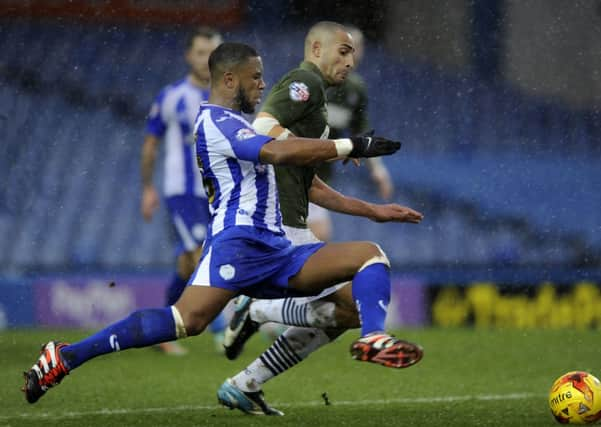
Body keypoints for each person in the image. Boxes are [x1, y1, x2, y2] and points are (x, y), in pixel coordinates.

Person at [22, 42, 419, 409]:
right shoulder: (214, 122)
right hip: (239, 245)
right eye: (256, 77)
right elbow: (275, 152)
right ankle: (66, 356)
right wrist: (349, 145)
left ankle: (369, 337)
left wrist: (371, 208)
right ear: (230, 79)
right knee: (185, 322)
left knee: (369, 258)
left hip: (279, 249)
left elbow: (298, 171)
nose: (263, 84)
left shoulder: (237, 123)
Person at [217, 22, 423, 416]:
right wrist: (338, 146)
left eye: (353, 54)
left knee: (347, 308)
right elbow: (260, 130)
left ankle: (246, 383)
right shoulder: (303, 82)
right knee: (371, 258)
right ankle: (370, 336)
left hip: (293, 225)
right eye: (342, 52)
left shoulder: (317, 105)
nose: (350, 61)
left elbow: (311, 185)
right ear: (315, 48)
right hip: (276, 227)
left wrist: (373, 210)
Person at [140, 27, 225, 354]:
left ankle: (160, 332)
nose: (206, 60)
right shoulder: (171, 96)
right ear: (189, 55)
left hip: (217, 194)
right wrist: (148, 188)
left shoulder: (227, 98)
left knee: (187, 267)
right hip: (182, 193)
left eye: (212, 53)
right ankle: (223, 330)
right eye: (201, 53)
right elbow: (150, 145)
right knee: (199, 256)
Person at [309, 24, 394, 241]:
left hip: (320, 178)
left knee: (318, 238)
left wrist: (378, 169)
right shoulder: (310, 80)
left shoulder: (355, 89)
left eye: (357, 48)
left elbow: (362, 132)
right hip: (291, 173)